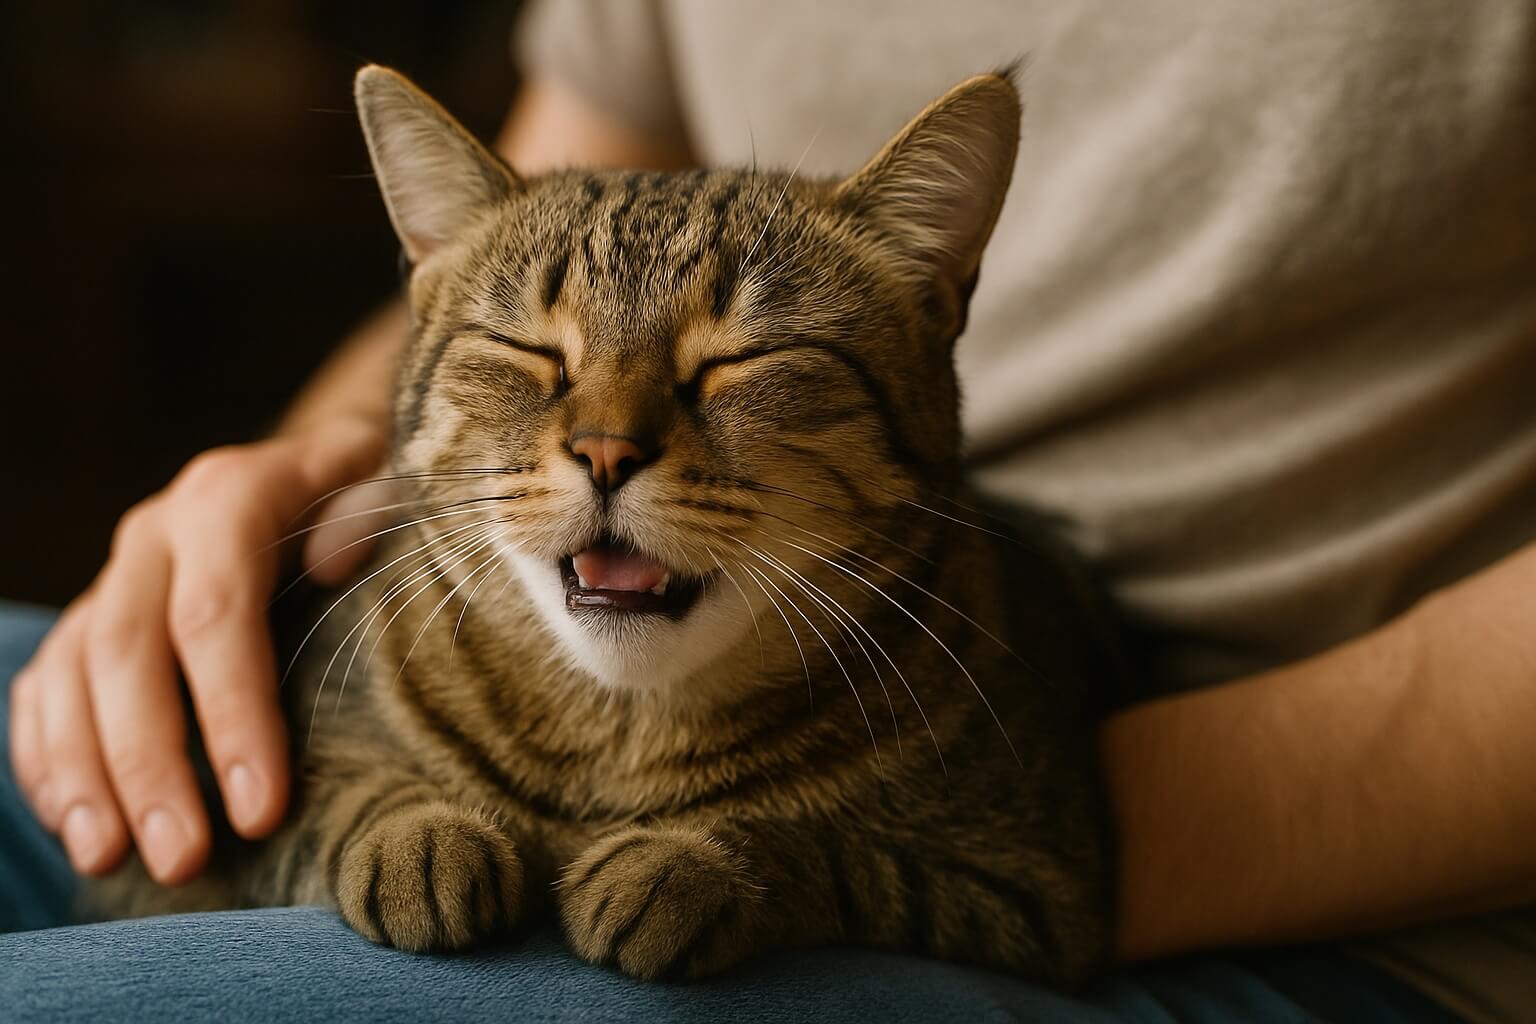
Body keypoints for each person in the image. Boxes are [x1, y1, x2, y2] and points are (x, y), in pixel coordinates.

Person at [4, 1, 1534, 1019]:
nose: (608, 439)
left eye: (740, 370)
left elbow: (1031, 868)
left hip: (1254, 857)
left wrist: (807, 864)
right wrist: (324, 462)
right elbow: (554, 207)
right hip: (530, 600)